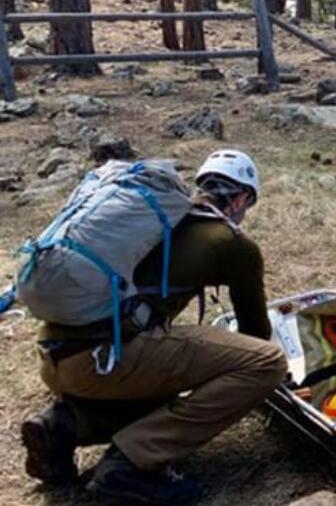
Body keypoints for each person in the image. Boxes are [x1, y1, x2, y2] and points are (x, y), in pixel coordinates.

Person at [23, 150, 286, 504]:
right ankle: (131, 464)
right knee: (266, 362)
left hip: (57, 357)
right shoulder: (232, 243)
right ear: (241, 199)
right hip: (102, 361)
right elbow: (256, 334)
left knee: (172, 379)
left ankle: (62, 427)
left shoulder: (160, 221)